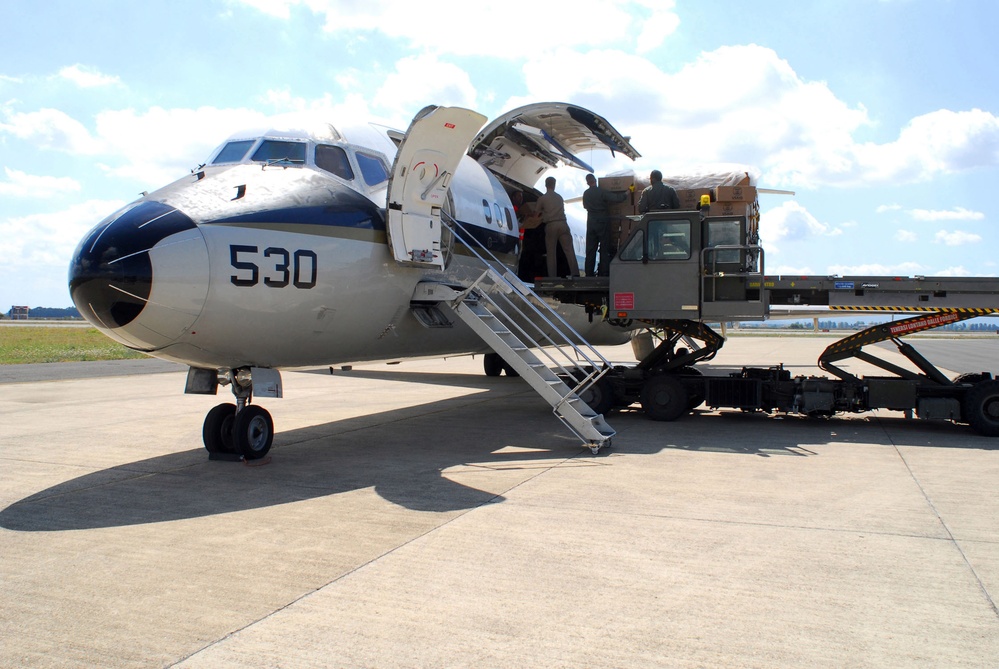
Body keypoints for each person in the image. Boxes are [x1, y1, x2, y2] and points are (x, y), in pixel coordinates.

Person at [582, 173, 628, 276]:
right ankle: (604, 272)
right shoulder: (601, 192)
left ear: (587, 182)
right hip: (602, 222)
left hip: (591, 223)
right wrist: (627, 193)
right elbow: (617, 198)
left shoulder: (586, 194)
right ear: (595, 180)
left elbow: (585, 206)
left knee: (590, 250)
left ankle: (588, 274)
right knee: (604, 248)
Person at [536, 176, 580, 278]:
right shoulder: (559, 197)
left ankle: (552, 276)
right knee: (569, 250)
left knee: (551, 252)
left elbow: (536, 214)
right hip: (563, 224)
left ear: (545, 185)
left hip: (551, 225)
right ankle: (575, 273)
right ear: (554, 185)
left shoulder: (542, 198)